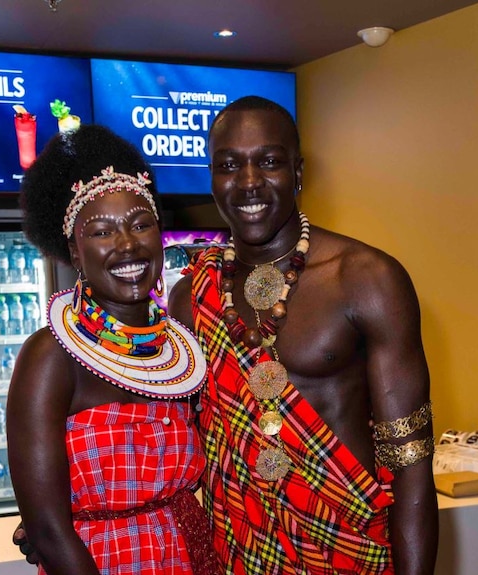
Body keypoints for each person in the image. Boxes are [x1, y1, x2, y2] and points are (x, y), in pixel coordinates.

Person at [166, 95, 438, 574]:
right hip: (238, 551)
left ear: (297, 171)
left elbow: (410, 462)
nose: (248, 183)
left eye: (268, 162)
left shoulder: (366, 279)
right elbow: (174, 445)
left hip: (343, 549)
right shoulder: (192, 296)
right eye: (228, 166)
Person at [7, 124, 219, 575]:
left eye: (141, 225)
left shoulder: (182, 348)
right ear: (74, 250)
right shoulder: (51, 357)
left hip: (190, 554)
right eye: (102, 232)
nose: (127, 245)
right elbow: (46, 529)